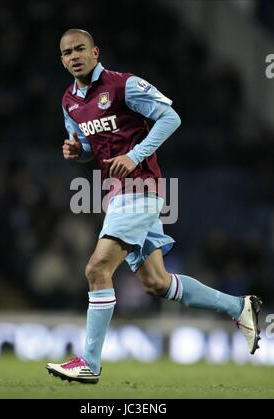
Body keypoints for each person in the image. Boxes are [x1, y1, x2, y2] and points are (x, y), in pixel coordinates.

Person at [46, 29, 262, 384]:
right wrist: (77, 153)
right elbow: (88, 148)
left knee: (97, 268)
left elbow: (170, 118)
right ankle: (240, 307)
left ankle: (89, 362)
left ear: (95, 52)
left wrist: (134, 155)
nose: (74, 56)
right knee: (156, 282)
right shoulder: (69, 101)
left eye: (80, 49)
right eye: (67, 52)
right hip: (116, 193)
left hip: (141, 188)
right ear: (62, 60)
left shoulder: (123, 85)